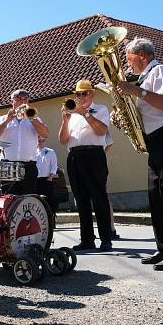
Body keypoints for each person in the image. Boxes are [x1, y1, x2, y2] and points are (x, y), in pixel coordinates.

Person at [116, 37, 163, 271]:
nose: (128, 66)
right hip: (156, 139)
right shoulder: (145, 77)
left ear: (142, 56)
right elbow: (145, 113)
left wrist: (136, 91)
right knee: (156, 196)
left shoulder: (161, 71)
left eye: (129, 60)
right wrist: (122, 118)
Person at [58, 79, 112, 252]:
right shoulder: (72, 114)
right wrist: (65, 120)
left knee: (99, 198)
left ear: (92, 93)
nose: (81, 97)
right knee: (81, 200)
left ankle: (106, 239)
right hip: (75, 156)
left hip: (94, 155)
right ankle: (87, 239)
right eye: (78, 94)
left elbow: (101, 131)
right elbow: (63, 140)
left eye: (85, 93)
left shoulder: (101, 109)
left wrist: (85, 114)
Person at [0, 89, 49, 195]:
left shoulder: (35, 118)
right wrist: (7, 121)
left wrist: (32, 119)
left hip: (29, 167)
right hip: (7, 166)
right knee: (9, 200)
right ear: (12, 102)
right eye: (18, 99)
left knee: (28, 200)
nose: (22, 102)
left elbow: (45, 134)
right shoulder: (2, 118)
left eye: (25, 99)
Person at [103, 131, 120, 240]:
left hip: (96, 161)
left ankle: (111, 228)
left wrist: (101, 155)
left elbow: (110, 142)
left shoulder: (98, 115)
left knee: (104, 197)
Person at [35, 136, 58, 211]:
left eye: (42, 141)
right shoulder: (34, 152)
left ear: (45, 141)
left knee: (49, 200)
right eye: (39, 141)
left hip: (47, 179)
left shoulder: (50, 152)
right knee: (37, 200)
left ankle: (50, 215)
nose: (41, 143)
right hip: (36, 180)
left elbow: (54, 165)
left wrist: (50, 177)